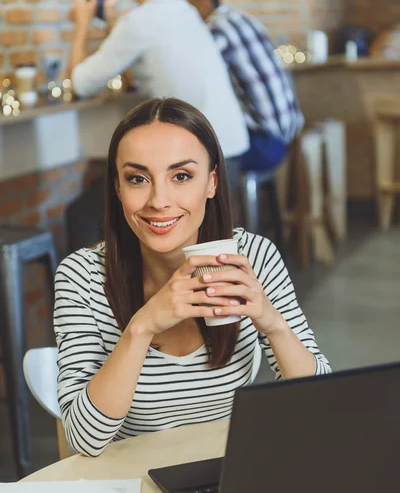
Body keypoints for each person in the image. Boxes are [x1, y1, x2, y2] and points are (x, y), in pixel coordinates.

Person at [54, 97, 331, 457]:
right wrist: (142, 327)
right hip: (127, 486)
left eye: (181, 176)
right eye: (138, 179)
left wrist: (272, 322)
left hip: (227, 477)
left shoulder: (254, 258)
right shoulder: (81, 276)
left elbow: (320, 405)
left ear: (212, 182)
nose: (159, 200)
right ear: (118, 188)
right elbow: (84, 440)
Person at [68, 0, 249, 183]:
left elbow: (81, 84)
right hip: (232, 147)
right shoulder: (186, 12)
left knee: (96, 205)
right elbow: (130, 62)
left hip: (201, 159)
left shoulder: (138, 22)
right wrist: (111, 19)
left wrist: (82, 21)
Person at [177, 0, 304, 173]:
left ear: (203, 4)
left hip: (264, 143)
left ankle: (225, 205)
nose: (178, 10)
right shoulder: (244, 17)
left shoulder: (213, 30)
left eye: (183, 3)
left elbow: (189, 73)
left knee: (189, 159)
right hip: (289, 134)